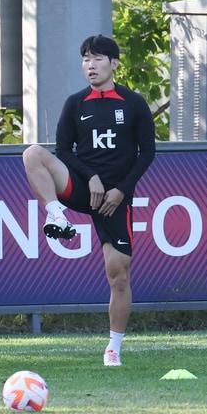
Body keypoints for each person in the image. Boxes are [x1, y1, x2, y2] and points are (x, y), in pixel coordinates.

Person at [21, 35, 155, 367]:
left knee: (118, 272)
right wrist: (90, 176)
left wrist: (120, 190)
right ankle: (58, 216)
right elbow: (64, 151)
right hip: (83, 188)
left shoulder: (133, 103)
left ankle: (113, 348)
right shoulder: (75, 103)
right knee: (33, 154)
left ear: (114, 63)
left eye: (97, 59)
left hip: (115, 199)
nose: (90, 65)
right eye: (85, 59)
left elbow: (147, 152)